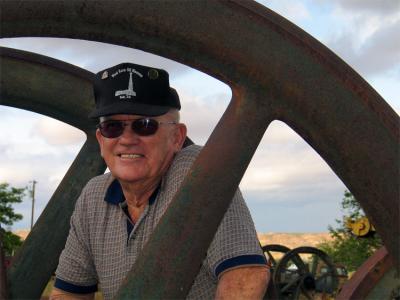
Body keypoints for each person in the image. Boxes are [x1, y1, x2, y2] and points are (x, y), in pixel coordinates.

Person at [50, 62, 269, 299]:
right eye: (112, 127)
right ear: (101, 140)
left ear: (177, 137)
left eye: (145, 125)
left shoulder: (198, 174)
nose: (127, 140)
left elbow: (246, 275)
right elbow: (68, 293)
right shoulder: (93, 197)